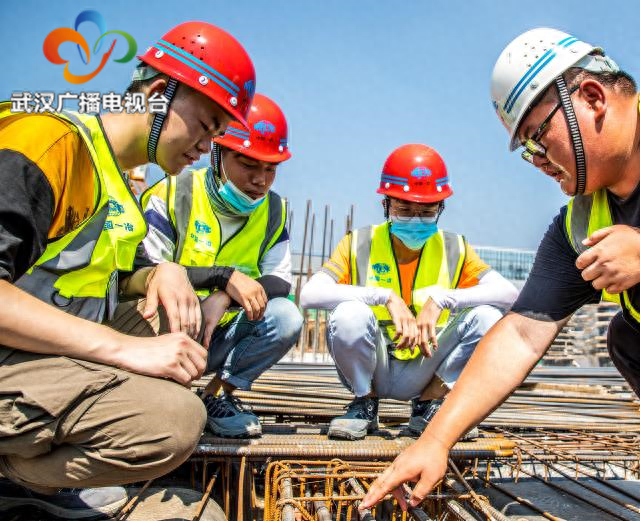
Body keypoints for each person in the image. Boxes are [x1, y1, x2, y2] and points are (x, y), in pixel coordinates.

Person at [362, 28, 640, 521]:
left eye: (537, 139)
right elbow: (522, 333)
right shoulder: (582, 224)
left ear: (591, 98)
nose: (537, 162)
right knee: (633, 340)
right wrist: (436, 441)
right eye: (527, 151)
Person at [0, 21, 255, 518]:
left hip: (29, 346)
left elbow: (97, 274)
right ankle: (19, 475)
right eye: (206, 127)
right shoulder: (48, 143)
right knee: (173, 420)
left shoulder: (111, 177)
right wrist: (125, 349)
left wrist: (160, 272)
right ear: (158, 96)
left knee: (177, 326)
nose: (207, 148)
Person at [300, 144, 518, 440]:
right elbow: (310, 295)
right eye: (404, 210)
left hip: (426, 366)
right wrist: (384, 297)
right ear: (386, 204)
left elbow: (507, 294)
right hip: (375, 365)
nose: (416, 220)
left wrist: (442, 299)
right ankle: (364, 404)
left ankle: (429, 405)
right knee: (348, 313)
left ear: (440, 208)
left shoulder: (454, 247)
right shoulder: (359, 243)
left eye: (427, 212)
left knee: (488, 317)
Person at [138, 93, 303, 438]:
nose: (260, 180)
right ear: (218, 153)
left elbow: (280, 280)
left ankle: (217, 395)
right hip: (167, 330)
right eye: (248, 164)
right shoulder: (174, 193)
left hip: (222, 334)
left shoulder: (274, 210)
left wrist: (225, 295)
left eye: (270, 168)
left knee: (286, 316)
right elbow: (146, 271)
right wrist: (222, 278)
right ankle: (158, 387)